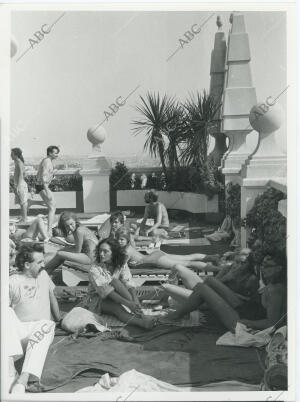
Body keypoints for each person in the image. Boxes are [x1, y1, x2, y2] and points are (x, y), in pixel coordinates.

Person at [161, 254, 286, 332]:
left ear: (279, 268)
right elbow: (258, 305)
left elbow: (272, 323)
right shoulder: (270, 284)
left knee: (201, 288)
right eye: (263, 265)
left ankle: (174, 316)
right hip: (244, 308)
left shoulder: (275, 290)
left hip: (240, 321)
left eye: (268, 266)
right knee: (210, 280)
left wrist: (248, 323)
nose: (264, 269)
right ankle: (194, 303)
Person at [9, 244, 60, 392]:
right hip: (18, 332)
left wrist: (59, 320)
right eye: (39, 262)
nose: (44, 265)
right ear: (26, 264)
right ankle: (9, 370)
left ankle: (22, 380)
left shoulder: (43, 275)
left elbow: (52, 297)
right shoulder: (12, 281)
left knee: (48, 325)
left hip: (39, 329)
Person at [79, 238, 154, 329]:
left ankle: (141, 313)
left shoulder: (121, 264)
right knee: (116, 308)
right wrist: (127, 303)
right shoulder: (94, 269)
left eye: (105, 251)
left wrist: (135, 300)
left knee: (115, 281)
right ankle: (142, 323)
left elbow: (128, 281)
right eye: (100, 251)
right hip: (98, 298)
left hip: (117, 292)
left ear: (113, 252)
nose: (101, 254)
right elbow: (106, 291)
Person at [116, 227, 220, 272]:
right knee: (186, 258)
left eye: (122, 239)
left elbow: (120, 268)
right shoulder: (130, 246)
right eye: (118, 239)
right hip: (155, 255)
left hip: (156, 259)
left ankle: (219, 269)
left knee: (188, 263)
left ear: (126, 240)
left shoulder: (125, 251)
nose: (119, 241)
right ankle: (213, 257)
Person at [35, 146, 60, 236]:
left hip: (41, 186)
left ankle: (49, 228)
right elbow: (43, 176)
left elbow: (45, 174)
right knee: (52, 207)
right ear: (50, 153)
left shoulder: (47, 161)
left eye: (57, 153)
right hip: (43, 186)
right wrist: (47, 190)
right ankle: (49, 231)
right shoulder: (47, 162)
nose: (57, 155)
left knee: (52, 206)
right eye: (55, 153)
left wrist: (53, 173)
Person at [11, 148, 29, 223]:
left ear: (16, 155)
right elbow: (24, 174)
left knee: (23, 202)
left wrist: (18, 186)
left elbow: (21, 175)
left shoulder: (19, 162)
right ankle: (23, 217)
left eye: (12, 154)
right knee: (22, 202)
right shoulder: (17, 162)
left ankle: (24, 218)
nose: (10, 155)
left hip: (20, 184)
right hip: (20, 184)